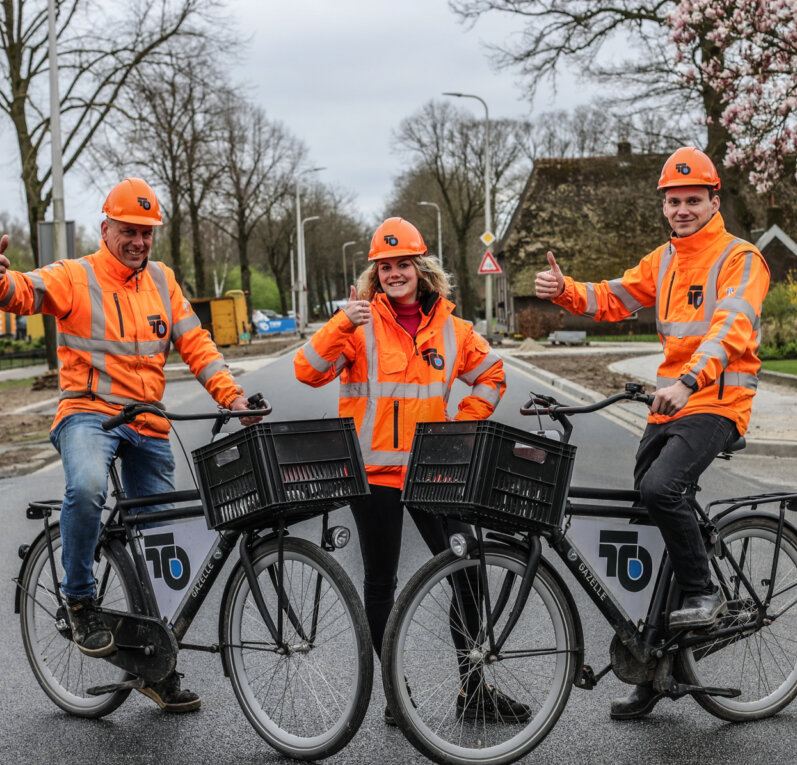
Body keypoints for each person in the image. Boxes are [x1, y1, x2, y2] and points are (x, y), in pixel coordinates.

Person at [0, 177, 260, 713]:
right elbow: (25, 292)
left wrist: (233, 397)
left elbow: (196, 344)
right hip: (88, 416)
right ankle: (80, 600)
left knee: (160, 543)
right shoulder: (76, 276)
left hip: (147, 423)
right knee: (84, 487)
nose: (139, 242)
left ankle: (155, 664)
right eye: (129, 231)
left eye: (147, 233)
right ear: (106, 228)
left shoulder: (163, 281)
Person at [534, 147, 770, 720]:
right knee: (647, 512)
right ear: (663, 206)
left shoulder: (740, 259)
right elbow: (614, 297)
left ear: (714, 200)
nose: (683, 209)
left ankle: (703, 592)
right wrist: (566, 289)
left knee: (662, 489)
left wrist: (691, 379)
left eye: (693, 200)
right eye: (674, 201)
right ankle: (654, 663)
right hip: (670, 403)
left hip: (716, 400)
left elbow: (731, 328)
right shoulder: (664, 260)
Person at [295, 217, 530, 725]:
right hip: (374, 477)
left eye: (403, 264)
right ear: (375, 273)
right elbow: (306, 371)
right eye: (385, 266)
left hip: (433, 473)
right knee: (382, 583)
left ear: (421, 270)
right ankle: (395, 695)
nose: (394, 273)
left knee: (469, 573)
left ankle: (474, 691)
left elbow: (491, 374)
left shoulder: (453, 327)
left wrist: (460, 427)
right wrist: (339, 324)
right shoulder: (357, 327)